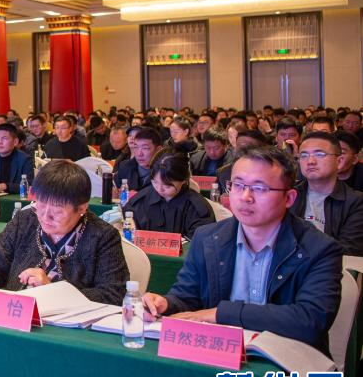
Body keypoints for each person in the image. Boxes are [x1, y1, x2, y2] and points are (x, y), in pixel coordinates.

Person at [142, 147, 343, 353]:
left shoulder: (319, 249)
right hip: (218, 354)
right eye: (238, 185)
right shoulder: (207, 238)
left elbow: (310, 321)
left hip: (287, 360)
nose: (245, 197)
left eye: (260, 188)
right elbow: (187, 298)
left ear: (289, 198)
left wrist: (221, 314)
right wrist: (166, 303)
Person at [0, 160, 128, 304]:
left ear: (81, 208)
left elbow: (114, 294)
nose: (45, 216)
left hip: (66, 324)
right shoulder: (25, 220)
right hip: (15, 315)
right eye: (41, 205)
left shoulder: (103, 236)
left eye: (57, 211)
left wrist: (53, 289)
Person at [290, 131, 363, 256]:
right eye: (304, 155)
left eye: (319, 154)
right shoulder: (290, 194)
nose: (310, 161)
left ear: (339, 161)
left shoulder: (355, 202)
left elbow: (348, 250)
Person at [124, 151, 214, 239]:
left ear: (183, 180)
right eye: (155, 182)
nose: (160, 189)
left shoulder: (197, 208)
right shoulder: (138, 202)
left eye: (167, 186)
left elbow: (201, 242)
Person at [113, 126, 162, 193]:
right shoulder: (125, 167)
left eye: (145, 148)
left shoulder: (165, 171)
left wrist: (137, 196)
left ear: (158, 150)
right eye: (136, 147)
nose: (139, 154)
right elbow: (115, 188)